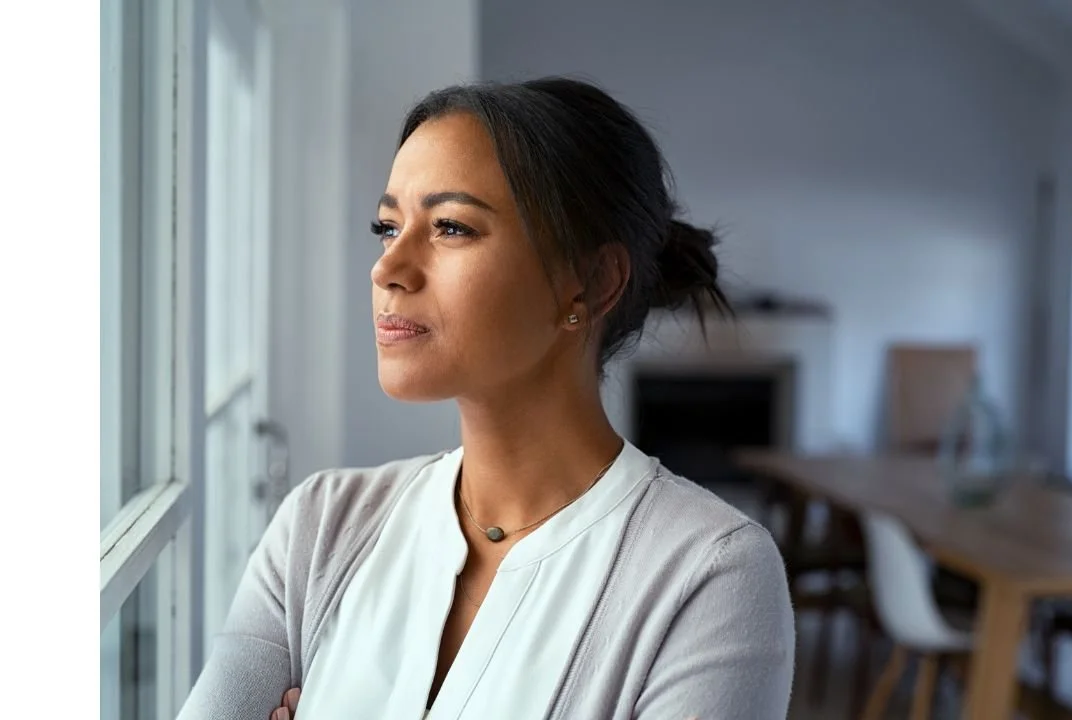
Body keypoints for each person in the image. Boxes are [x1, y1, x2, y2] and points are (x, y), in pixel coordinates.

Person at [177, 77, 795, 720]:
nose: (387, 268)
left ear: (590, 282)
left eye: (450, 227)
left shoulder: (710, 577)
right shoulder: (320, 527)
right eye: (388, 227)